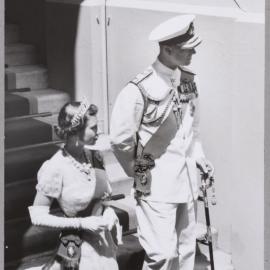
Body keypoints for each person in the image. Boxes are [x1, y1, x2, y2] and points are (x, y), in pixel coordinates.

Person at [110, 15, 214, 270]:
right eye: (186, 49)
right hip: (155, 184)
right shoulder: (138, 89)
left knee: (187, 252)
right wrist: (138, 170)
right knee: (162, 256)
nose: (193, 53)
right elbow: (120, 140)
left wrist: (200, 158)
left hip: (187, 181)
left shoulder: (191, 80)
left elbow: (194, 131)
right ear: (167, 49)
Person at [28, 99, 121, 270]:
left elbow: (101, 197)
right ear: (76, 132)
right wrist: (82, 223)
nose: (98, 132)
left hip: (104, 244)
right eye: (93, 128)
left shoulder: (95, 156)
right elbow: (37, 217)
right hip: (77, 249)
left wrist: (108, 211)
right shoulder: (55, 167)